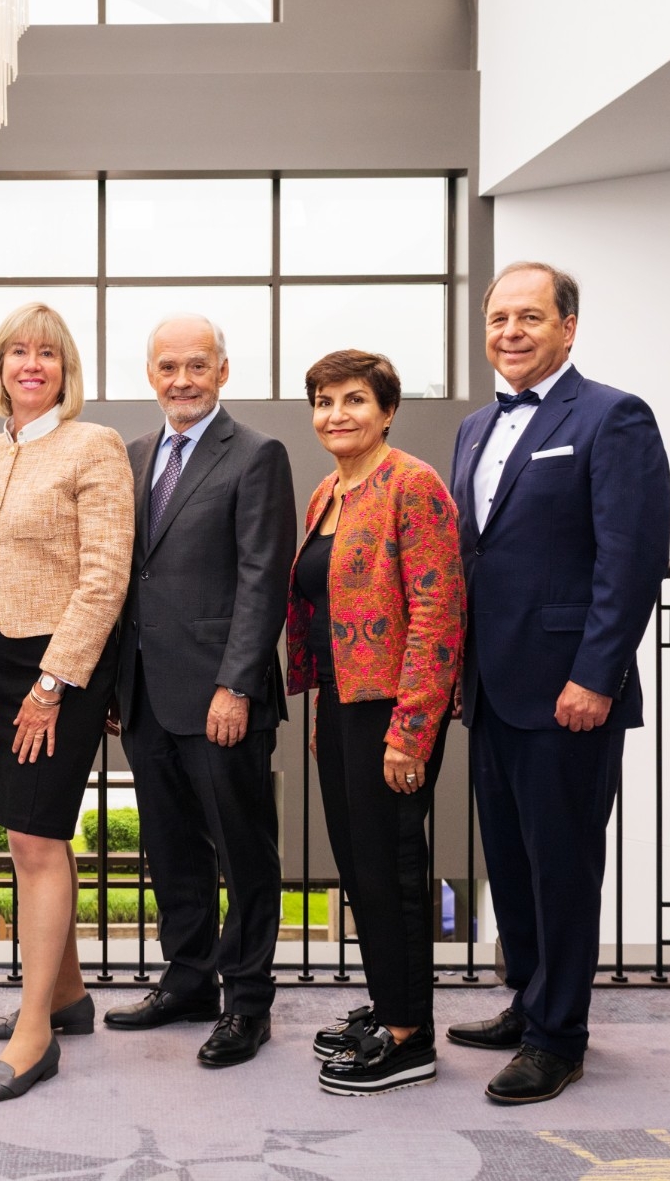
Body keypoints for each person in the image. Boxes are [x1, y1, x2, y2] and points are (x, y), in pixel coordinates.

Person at [446, 261, 670, 1104]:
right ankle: (529, 1000)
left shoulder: (614, 416)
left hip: (570, 689)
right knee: (509, 858)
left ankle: (559, 1036)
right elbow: (482, 554)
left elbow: (632, 558)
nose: (509, 331)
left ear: (567, 327)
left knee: (564, 863)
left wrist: (597, 674)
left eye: (529, 317)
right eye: (498, 317)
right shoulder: (474, 426)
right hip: (492, 683)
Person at [0, 304, 133, 1104]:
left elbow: (105, 575)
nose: (31, 364)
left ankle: (34, 1033)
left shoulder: (95, 445)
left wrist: (54, 686)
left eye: (46, 354)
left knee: (36, 835)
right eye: (16, 350)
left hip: (60, 666)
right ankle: (67, 994)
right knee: (30, 834)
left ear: (66, 369)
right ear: (0, 364)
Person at [109, 313, 295, 1068]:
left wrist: (236, 684)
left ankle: (247, 1002)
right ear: (150, 374)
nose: (181, 380)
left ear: (223, 370)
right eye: (166, 367)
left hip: (224, 698)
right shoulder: (133, 454)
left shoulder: (257, 454)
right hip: (146, 693)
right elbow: (129, 575)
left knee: (244, 851)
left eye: (196, 365)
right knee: (172, 846)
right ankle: (188, 979)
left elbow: (263, 578)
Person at [284, 350, 465, 1097]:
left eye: (354, 400)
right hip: (341, 704)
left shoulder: (412, 485)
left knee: (391, 869)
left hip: (393, 709)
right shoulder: (329, 490)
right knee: (360, 866)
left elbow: (438, 613)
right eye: (324, 401)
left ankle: (409, 1034)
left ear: (387, 409)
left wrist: (411, 730)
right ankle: (390, 1001)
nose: (337, 415)